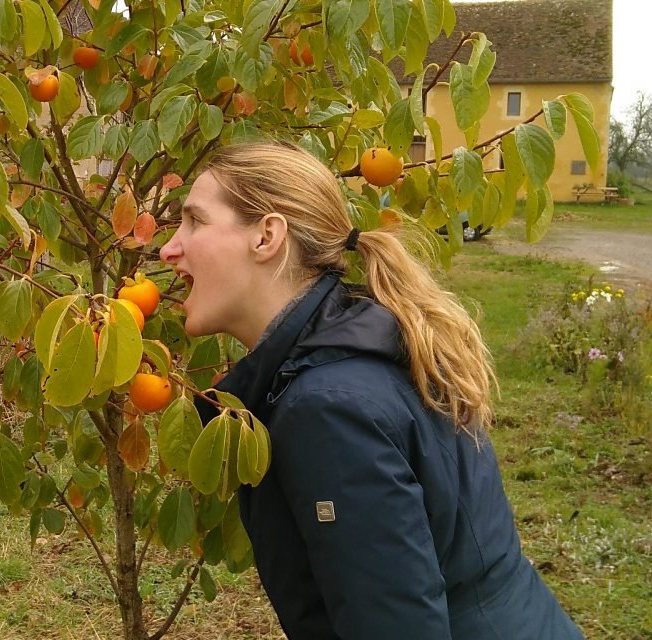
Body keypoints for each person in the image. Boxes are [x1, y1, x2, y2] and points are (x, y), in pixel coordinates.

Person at [158, 141, 583, 640]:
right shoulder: (358, 339)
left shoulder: (328, 408)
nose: (168, 248)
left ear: (267, 236)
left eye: (194, 221)